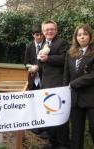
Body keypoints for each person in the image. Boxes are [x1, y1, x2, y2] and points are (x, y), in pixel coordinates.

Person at [38, 20, 70, 149]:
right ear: (43, 32)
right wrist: (38, 63)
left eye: (51, 29)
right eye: (46, 30)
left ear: (56, 30)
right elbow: (43, 64)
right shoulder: (45, 43)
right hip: (46, 84)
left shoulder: (62, 43)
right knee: (49, 113)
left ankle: (63, 143)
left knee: (59, 114)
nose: (49, 31)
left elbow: (65, 59)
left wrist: (48, 58)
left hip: (58, 85)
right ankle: (53, 141)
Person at [63, 24, 94, 149]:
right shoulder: (70, 53)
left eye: (85, 34)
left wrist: (73, 84)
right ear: (76, 37)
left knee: (93, 128)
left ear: (90, 36)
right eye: (79, 35)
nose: (82, 37)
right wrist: (64, 90)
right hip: (74, 99)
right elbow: (66, 74)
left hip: (91, 98)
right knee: (76, 132)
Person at [24, 24, 44, 90]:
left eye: (41, 34)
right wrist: (31, 68)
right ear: (33, 35)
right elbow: (26, 63)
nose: (39, 37)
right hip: (32, 80)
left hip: (44, 79)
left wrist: (38, 68)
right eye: (37, 35)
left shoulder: (46, 45)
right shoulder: (29, 46)